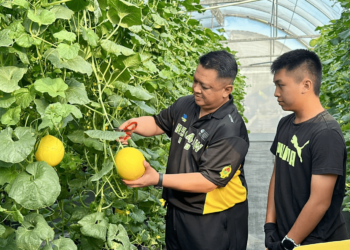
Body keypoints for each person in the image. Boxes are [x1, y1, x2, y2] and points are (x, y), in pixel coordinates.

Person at [118, 50, 250, 250]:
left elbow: (208, 180)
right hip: (178, 209)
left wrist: (158, 179)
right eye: (195, 80)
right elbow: (157, 123)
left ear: (226, 89)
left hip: (213, 217)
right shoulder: (186, 104)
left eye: (204, 86)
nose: (196, 89)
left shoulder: (230, 129)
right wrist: (133, 125)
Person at [264, 49, 348, 250]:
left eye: (280, 85)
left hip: (316, 243)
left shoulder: (326, 133)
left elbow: (320, 201)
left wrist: (289, 243)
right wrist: (269, 226)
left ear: (306, 85)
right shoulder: (285, 124)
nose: (276, 93)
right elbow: (278, 174)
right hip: (287, 236)